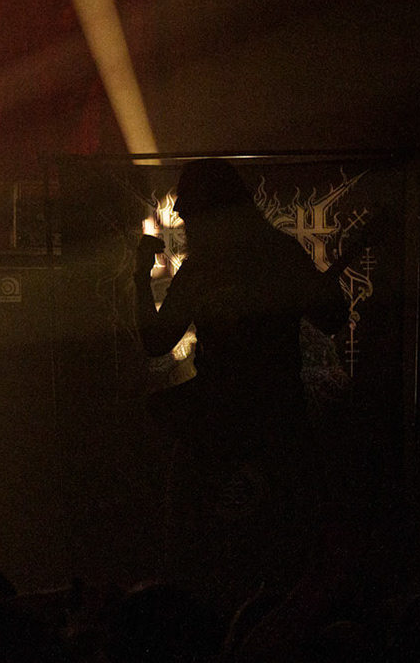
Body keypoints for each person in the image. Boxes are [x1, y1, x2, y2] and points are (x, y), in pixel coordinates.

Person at [134, 158, 354, 462]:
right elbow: (331, 319)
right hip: (279, 417)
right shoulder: (282, 254)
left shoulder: (201, 269)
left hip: (219, 421)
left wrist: (141, 276)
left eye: (189, 214)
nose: (181, 217)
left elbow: (156, 342)